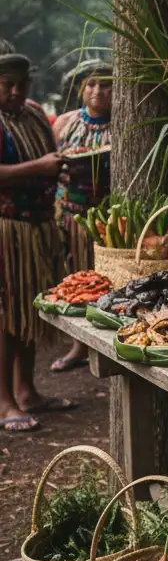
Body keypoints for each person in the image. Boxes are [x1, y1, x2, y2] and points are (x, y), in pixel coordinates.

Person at [0, 42, 74, 432]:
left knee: (26, 311)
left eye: (21, 85)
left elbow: (49, 157)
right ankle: (3, 402)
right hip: (6, 232)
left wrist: (59, 168)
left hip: (38, 229)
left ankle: (27, 391)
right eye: (6, 85)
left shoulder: (32, 114)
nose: (15, 92)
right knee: (4, 315)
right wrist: (40, 167)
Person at [50, 58, 112, 371]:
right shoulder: (65, 123)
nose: (98, 91)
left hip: (108, 219)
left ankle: (102, 344)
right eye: (91, 84)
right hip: (70, 215)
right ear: (81, 89)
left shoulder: (122, 126)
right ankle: (78, 345)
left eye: (105, 85)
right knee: (75, 277)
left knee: (104, 279)